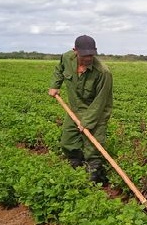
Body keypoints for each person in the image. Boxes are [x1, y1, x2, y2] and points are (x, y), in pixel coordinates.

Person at [48, 35, 113, 185]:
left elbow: (101, 102)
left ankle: (94, 177)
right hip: (75, 108)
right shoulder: (66, 58)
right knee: (68, 141)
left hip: (96, 111)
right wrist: (55, 85)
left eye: (91, 55)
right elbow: (59, 69)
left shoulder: (103, 72)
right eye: (85, 55)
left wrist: (86, 122)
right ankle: (75, 167)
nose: (88, 58)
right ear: (75, 51)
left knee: (93, 146)